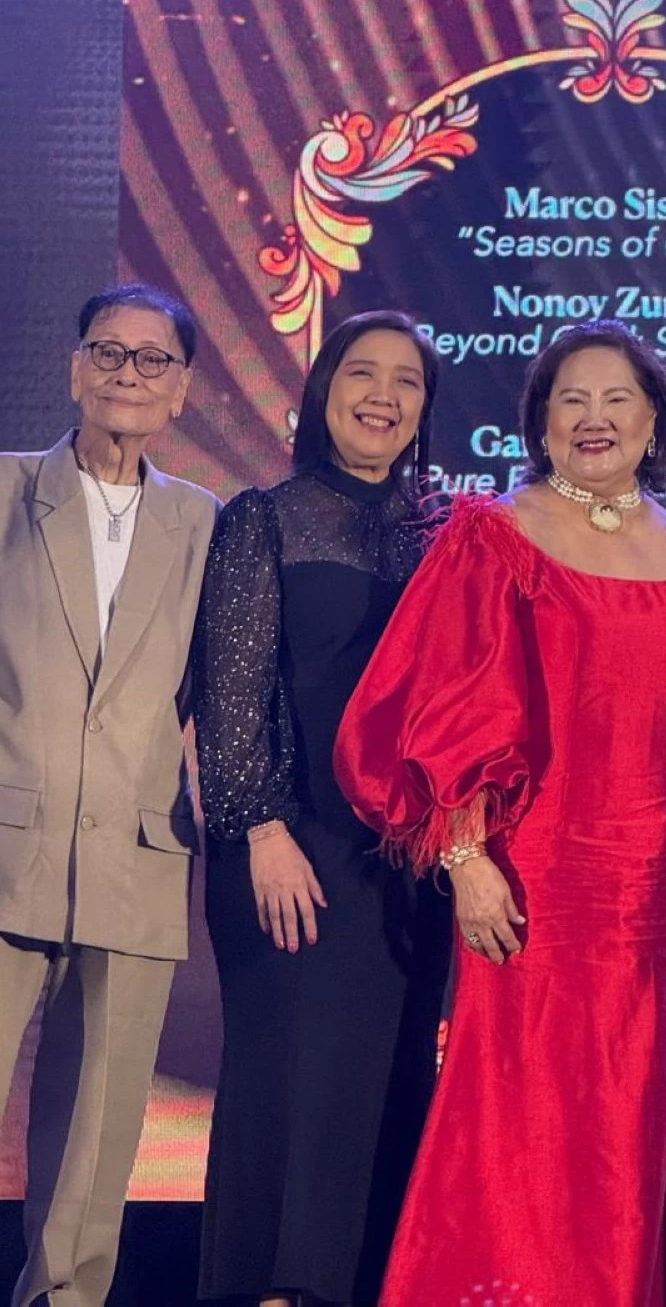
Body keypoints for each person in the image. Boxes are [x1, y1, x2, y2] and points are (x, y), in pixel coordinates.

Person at [334, 321, 666, 1307]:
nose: (595, 417)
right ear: (542, 423)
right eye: (572, 399)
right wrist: (467, 857)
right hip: (530, 890)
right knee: (525, 1121)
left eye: (617, 400)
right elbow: (446, 702)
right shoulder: (496, 534)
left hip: (647, 904)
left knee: (631, 1118)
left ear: (654, 422)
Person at [192, 310, 453, 1307]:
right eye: (361, 372)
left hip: (405, 865)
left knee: (385, 1091)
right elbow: (230, 693)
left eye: (407, 381)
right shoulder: (266, 515)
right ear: (323, 389)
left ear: (426, 407)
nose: (382, 395)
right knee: (288, 1089)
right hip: (287, 851)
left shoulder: (444, 530)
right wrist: (261, 831)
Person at [0, 283, 217, 1307]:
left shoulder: (203, 522)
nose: (128, 374)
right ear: (76, 368)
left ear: (181, 389)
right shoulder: (4, 493)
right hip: (8, 842)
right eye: (109, 353)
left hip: (137, 853)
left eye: (152, 360)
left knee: (96, 1138)